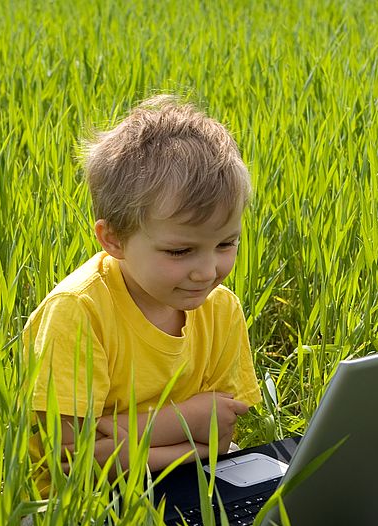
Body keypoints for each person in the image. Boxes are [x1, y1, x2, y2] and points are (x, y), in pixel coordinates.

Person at [23, 95, 262, 496]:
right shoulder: (78, 313)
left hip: (193, 485)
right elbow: (68, 462)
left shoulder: (221, 309)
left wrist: (117, 432)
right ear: (113, 239)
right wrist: (189, 428)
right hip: (84, 505)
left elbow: (223, 431)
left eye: (226, 244)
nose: (207, 272)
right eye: (179, 251)